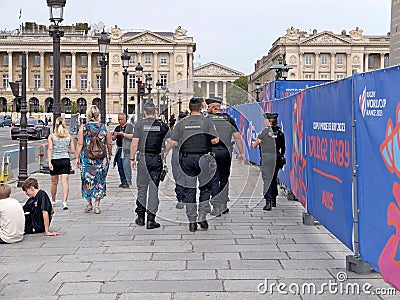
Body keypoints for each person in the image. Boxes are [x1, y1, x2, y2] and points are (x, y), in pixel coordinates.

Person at [164, 97, 219, 232]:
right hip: (203, 159)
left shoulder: (182, 124)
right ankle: (202, 214)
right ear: (201, 108)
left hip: (187, 160)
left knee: (190, 189)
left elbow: (172, 141)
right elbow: (215, 140)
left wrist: (164, 154)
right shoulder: (206, 122)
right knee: (205, 188)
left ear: (189, 109)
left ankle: (192, 220)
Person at [130, 103, 169, 229]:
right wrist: (164, 154)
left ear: (144, 112)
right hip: (156, 159)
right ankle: (151, 219)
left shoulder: (140, 125)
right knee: (153, 189)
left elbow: (134, 144)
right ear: (155, 111)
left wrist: (131, 158)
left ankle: (140, 217)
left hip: (143, 158)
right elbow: (171, 142)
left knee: (141, 188)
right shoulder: (162, 126)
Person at [206, 97, 245, 216]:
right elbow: (237, 136)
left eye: (209, 107)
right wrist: (241, 152)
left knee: (213, 179)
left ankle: (216, 206)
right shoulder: (228, 119)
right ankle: (223, 204)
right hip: (226, 152)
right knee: (224, 178)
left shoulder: (207, 120)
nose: (208, 109)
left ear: (213, 108)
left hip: (212, 152)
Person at [75, 105, 112, 214]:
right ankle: (97, 205)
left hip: (87, 158)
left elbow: (80, 143)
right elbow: (109, 143)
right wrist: (110, 154)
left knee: (87, 179)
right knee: (100, 180)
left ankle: (89, 203)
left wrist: (77, 157)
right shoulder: (104, 127)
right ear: (98, 115)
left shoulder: (83, 127)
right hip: (101, 159)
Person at [252, 113, 286, 211]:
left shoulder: (264, 133)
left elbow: (254, 145)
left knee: (267, 179)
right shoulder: (280, 133)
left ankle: (268, 201)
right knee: (274, 178)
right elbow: (283, 148)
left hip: (266, 158)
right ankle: (274, 199)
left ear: (268, 121)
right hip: (276, 157)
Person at [47, 117, 75, 210]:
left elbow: (50, 149)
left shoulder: (52, 136)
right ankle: (64, 202)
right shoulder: (69, 137)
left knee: (54, 183)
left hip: (55, 160)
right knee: (65, 182)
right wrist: (65, 149)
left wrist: (50, 161)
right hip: (65, 160)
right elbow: (72, 151)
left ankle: (53, 201)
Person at [168, 111, 188, 209]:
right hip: (188, 155)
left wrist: (164, 153)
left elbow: (171, 142)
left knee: (178, 177)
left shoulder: (175, 128)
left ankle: (180, 199)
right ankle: (187, 198)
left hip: (177, 153)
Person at [112, 113, 134, 188]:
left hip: (127, 149)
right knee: (120, 165)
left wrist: (123, 134)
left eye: (121, 119)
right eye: (119, 119)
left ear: (125, 119)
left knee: (126, 165)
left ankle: (128, 181)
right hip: (119, 148)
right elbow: (113, 138)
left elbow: (134, 136)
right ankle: (123, 180)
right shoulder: (117, 128)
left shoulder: (130, 127)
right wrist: (115, 135)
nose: (120, 121)